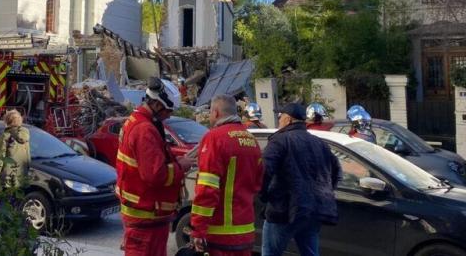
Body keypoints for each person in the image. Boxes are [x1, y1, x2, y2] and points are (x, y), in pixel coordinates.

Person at [116, 77, 194, 256]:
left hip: (143, 217)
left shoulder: (137, 121)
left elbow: (151, 158)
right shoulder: (145, 130)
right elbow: (155, 175)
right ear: (158, 105)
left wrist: (175, 160)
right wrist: (180, 167)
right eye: (168, 111)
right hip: (146, 218)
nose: (169, 115)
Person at [260, 103, 341, 256]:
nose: (279, 121)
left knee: (270, 252)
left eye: (280, 117)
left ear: (288, 120)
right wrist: (323, 194)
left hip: (284, 209)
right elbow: (336, 173)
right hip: (314, 210)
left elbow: (264, 171)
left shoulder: (279, 141)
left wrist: (265, 196)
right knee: (310, 252)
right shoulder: (320, 143)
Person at [190, 94, 264, 256]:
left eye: (210, 113)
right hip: (245, 230)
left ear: (216, 113)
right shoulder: (252, 140)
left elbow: (206, 190)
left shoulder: (214, 138)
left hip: (221, 233)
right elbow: (257, 184)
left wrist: (198, 229)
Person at [0, 109, 30, 189]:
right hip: (21, 177)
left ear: (7, 121)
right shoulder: (25, 137)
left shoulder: (5, 136)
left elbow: (0, 157)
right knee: (17, 200)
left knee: (4, 200)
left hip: (7, 179)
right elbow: (28, 158)